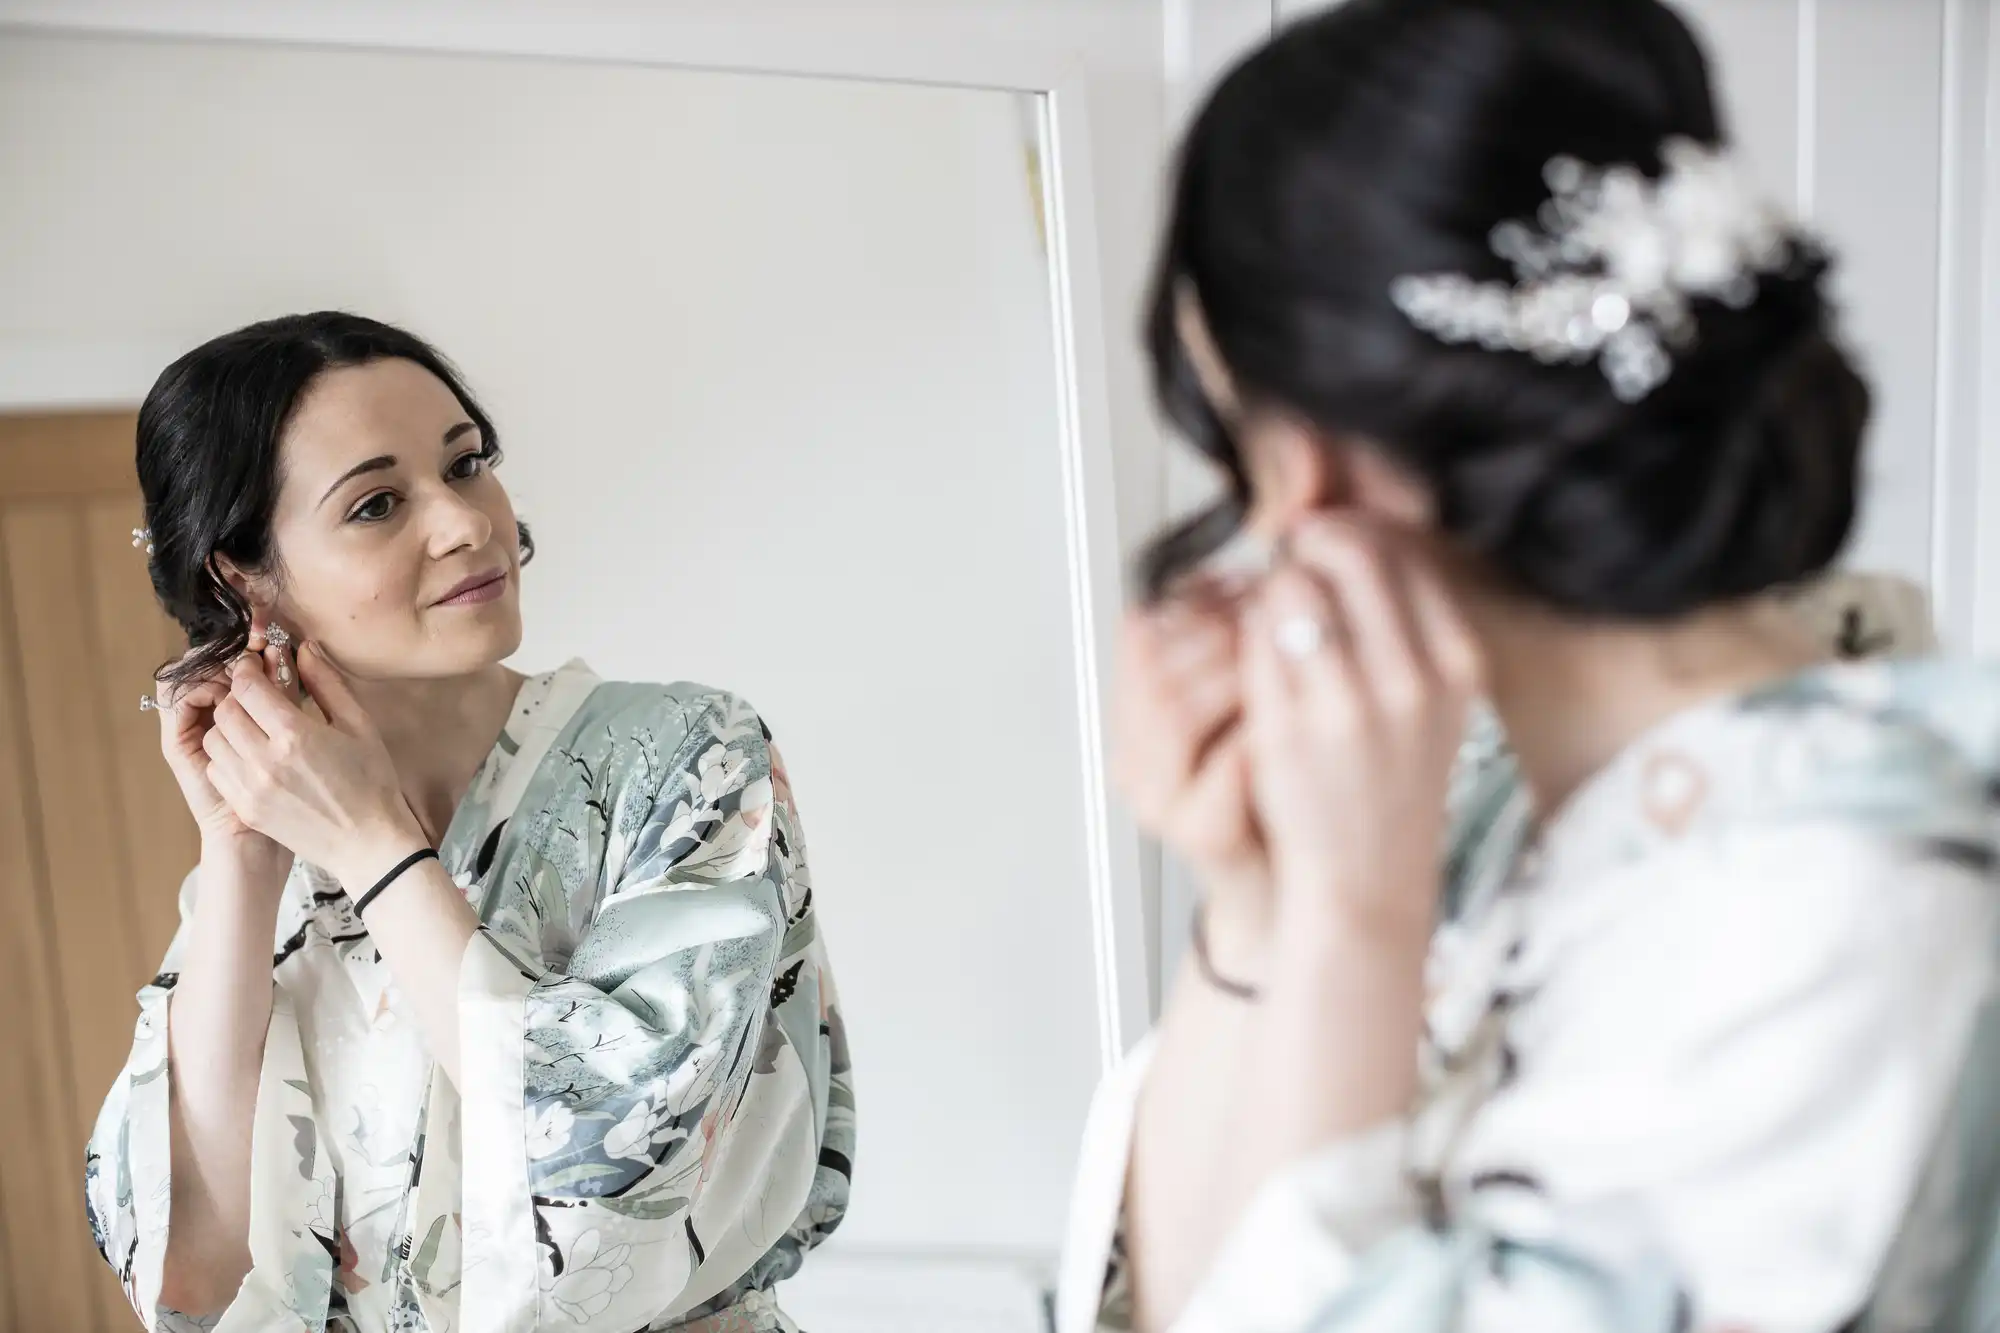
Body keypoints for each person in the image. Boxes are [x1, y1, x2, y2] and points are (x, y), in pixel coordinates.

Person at [1058, 2, 2000, 1330]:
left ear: (1311, 465)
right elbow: (1185, 1300)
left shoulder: (1847, 877)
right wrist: (1256, 906)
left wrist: (1354, 926)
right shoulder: (1488, 828)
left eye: (1231, 427)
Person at [85, 312, 853, 1333]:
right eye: (376, 503)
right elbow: (190, 1270)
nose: (464, 523)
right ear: (244, 573)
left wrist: (378, 849)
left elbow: (618, 1167)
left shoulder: (686, 756)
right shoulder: (275, 864)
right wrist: (236, 857)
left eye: (465, 463)